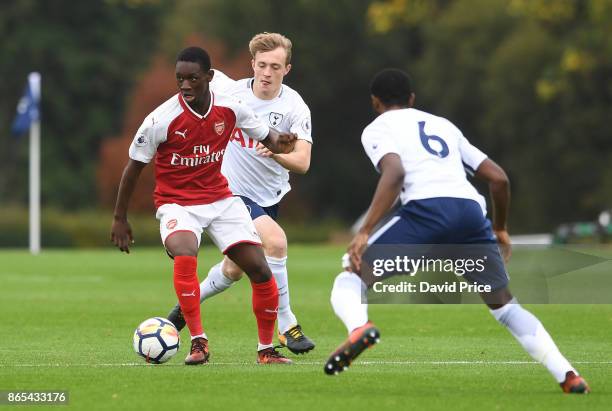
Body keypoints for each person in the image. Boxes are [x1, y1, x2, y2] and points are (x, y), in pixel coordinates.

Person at [324, 68, 590, 394]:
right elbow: (499, 179)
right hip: (469, 214)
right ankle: (569, 375)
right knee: (506, 307)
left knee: (351, 276)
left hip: (427, 213)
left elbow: (394, 174)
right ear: (412, 99)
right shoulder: (443, 125)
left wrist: (365, 230)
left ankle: (359, 328)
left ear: (375, 102)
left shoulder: (376, 128)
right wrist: (501, 228)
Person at [111, 46, 296, 365]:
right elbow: (133, 169)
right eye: (180, 79)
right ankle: (199, 342)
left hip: (221, 199)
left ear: (209, 77)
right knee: (185, 252)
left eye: (192, 78)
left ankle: (266, 350)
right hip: (177, 204)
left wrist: (285, 142)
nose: (185, 85)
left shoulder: (231, 108)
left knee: (259, 268)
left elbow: (269, 137)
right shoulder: (161, 119)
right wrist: (119, 219)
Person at [167, 33, 315, 355]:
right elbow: (196, 76)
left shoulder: (294, 106)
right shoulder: (230, 90)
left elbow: (302, 162)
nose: (266, 73)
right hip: (230, 194)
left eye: (275, 66)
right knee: (275, 242)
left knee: (234, 269)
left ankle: (184, 306)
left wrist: (274, 152)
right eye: (261, 65)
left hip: (269, 197)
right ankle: (287, 325)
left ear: (286, 69)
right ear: (252, 64)